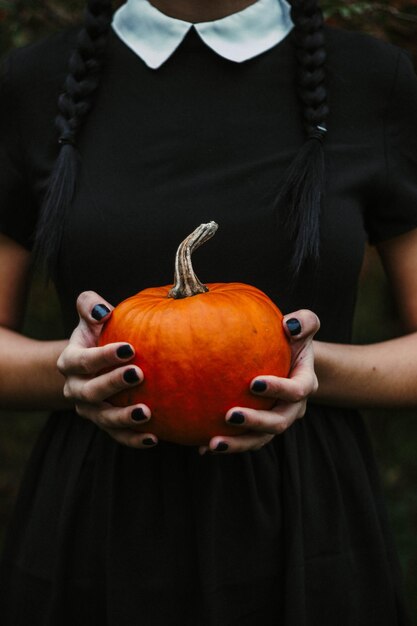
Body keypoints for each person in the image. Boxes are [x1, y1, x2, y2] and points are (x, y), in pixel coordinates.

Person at [0, 0, 416, 623]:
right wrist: (74, 374)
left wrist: (306, 367)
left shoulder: (373, 78)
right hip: (98, 520)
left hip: (309, 520)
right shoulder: (33, 81)